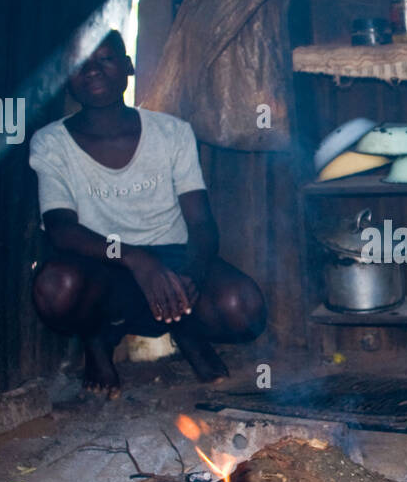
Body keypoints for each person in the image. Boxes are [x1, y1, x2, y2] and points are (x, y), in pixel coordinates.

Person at [28, 29, 266, 397]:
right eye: (80, 65)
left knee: (243, 307)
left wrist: (190, 277)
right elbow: (61, 230)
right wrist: (136, 260)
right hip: (104, 264)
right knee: (55, 288)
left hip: (172, 259)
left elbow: (201, 224)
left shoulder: (172, 133)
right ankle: (96, 340)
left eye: (105, 59)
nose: (93, 71)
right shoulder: (51, 142)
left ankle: (187, 331)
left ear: (128, 67)